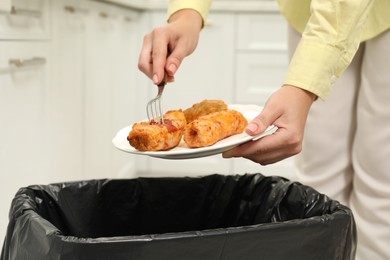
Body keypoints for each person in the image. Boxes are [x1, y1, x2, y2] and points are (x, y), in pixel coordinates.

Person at [137, 0, 390, 259]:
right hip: (311, 13)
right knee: (321, 171)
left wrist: (302, 86)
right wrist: (187, 14)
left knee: (382, 176)